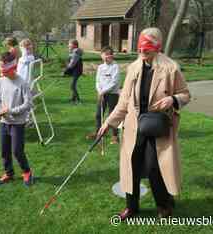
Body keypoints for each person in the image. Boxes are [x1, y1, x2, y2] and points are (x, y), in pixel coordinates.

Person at [97, 28, 191, 220]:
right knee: (131, 165)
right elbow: (123, 102)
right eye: (140, 51)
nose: (143, 55)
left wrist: (172, 99)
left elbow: (185, 94)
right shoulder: (134, 68)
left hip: (157, 126)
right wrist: (109, 122)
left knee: (155, 167)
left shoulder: (170, 68)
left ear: (157, 48)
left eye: (147, 51)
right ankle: (132, 208)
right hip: (134, 126)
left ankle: (164, 206)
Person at [0, 52, 34, 186]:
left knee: (17, 151)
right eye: (1, 70)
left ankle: (27, 172)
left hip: (18, 123)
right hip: (4, 122)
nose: (2, 73)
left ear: (13, 68)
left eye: (4, 71)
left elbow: (28, 104)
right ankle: (9, 173)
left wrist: (10, 111)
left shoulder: (22, 83)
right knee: (4, 151)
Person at [86, 46, 120, 145]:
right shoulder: (100, 67)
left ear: (111, 56)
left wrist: (103, 91)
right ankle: (98, 133)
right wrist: (99, 90)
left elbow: (114, 82)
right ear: (101, 56)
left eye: (108, 55)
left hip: (112, 94)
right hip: (102, 94)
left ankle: (115, 136)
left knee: (112, 115)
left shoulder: (115, 67)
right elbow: (97, 81)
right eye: (104, 55)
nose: (106, 57)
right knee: (98, 114)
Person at [64, 39, 83, 104]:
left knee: (72, 86)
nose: (68, 46)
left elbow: (72, 63)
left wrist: (66, 70)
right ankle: (73, 99)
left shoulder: (76, 52)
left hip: (77, 71)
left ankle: (78, 100)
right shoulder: (73, 52)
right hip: (75, 70)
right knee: (73, 85)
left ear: (75, 45)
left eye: (70, 44)